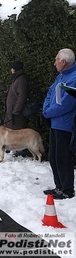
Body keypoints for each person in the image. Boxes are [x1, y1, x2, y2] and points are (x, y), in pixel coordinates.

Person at [42, 48, 76, 200]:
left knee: (63, 158)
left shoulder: (74, 78)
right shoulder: (61, 76)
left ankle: (67, 189)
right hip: (55, 123)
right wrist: (45, 110)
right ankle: (59, 186)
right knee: (53, 157)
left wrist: (47, 113)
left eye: (56, 60)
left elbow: (66, 105)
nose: (54, 63)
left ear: (63, 62)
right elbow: (50, 93)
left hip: (65, 124)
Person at [3, 61, 29, 157]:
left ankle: (20, 150)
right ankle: (10, 147)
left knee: (18, 131)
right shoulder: (17, 78)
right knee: (10, 128)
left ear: (15, 69)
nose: (11, 69)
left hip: (15, 111)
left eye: (12, 67)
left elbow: (22, 96)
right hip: (12, 109)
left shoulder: (21, 79)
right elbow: (15, 92)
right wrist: (7, 91)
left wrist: (17, 111)